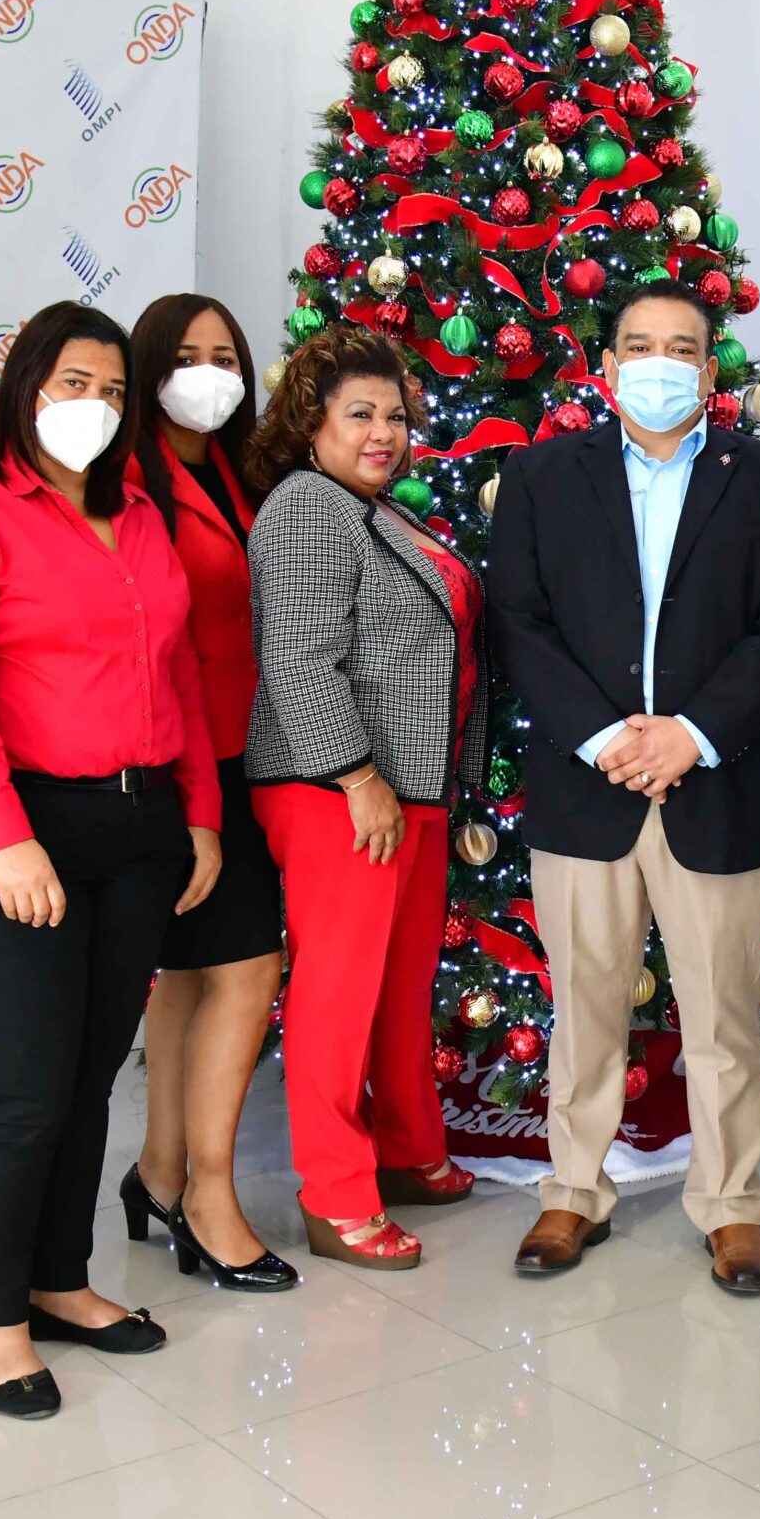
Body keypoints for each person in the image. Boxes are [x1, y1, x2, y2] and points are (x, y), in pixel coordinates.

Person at [0, 303, 224, 1418]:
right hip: (12, 828)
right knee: (23, 1087)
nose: (93, 406)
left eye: (112, 390)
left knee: (88, 1076)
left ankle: (58, 1280)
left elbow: (177, 669)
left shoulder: (136, 509)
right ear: (25, 387)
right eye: (71, 384)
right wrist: (2, 838)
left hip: (137, 827)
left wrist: (199, 813)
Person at [487, 285, 760, 1291]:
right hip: (584, 788)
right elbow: (518, 622)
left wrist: (693, 735)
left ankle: (731, 1206)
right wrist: (605, 740)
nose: (659, 364)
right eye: (639, 346)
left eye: (682, 347)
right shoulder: (541, 475)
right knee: (584, 1012)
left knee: (722, 1020)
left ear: (711, 370)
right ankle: (571, 1192)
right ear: (606, 366)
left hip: (715, 788)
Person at [244, 328, 489, 1270]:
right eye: (360, 414)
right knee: (339, 998)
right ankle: (336, 1197)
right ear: (312, 423)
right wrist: (356, 777)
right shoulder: (310, 508)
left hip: (409, 789)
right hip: (337, 789)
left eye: (395, 415)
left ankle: (408, 1149)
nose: (383, 432)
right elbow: (297, 657)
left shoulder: (374, 510)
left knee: (399, 987)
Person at [116, 295, 294, 1292]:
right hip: (181, 759)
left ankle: (157, 1172)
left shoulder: (233, 468)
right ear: (148, 369)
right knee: (246, 966)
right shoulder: (128, 477)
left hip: (243, 749)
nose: (209, 374)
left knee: (190, 972)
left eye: (225, 356)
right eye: (187, 356)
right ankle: (208, 1196)